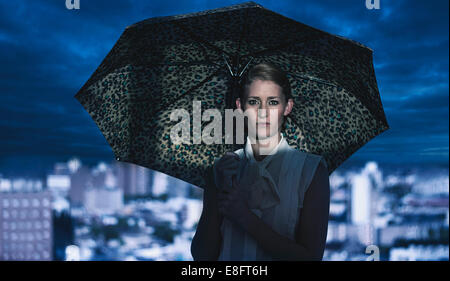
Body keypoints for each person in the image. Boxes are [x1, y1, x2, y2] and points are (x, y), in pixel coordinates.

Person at [191, 62, 330, 261]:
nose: (263, 112)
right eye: (254, 102)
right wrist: (216, 192)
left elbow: (310, 258)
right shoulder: (222, 169)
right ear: (240, 107)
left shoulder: (310, 170)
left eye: (272, 102)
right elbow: (202, 257)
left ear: (287, 107)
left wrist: (243, 216)